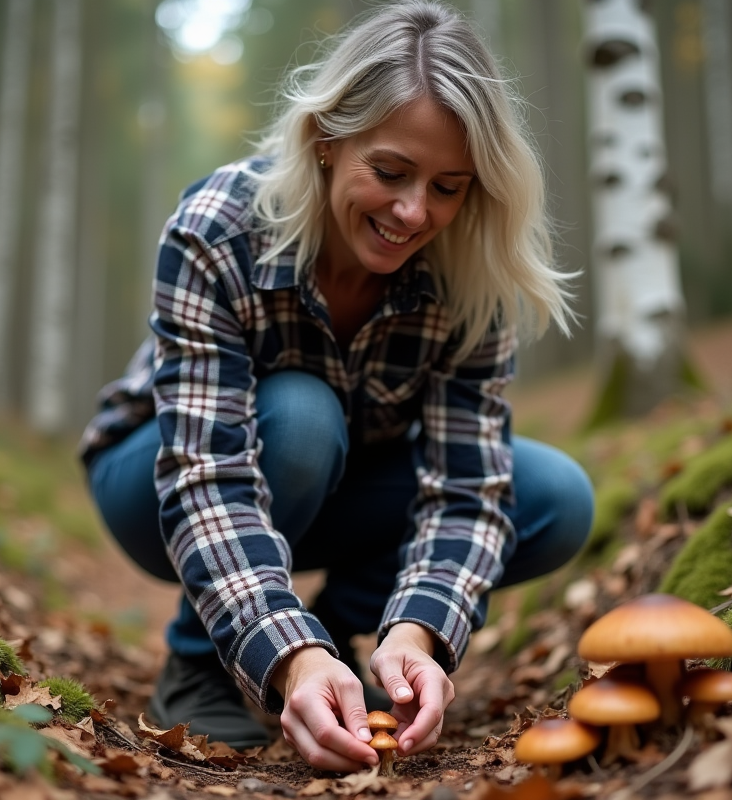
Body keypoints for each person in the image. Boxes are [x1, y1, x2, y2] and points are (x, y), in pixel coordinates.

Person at [81, 0, 593, 773]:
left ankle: (350, 645)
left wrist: (416, 631)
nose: (414, 212)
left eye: (448, 187)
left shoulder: (470, 272)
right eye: (389, 172)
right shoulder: (219, 228)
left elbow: (465, 489)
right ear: (326, 142)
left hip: (339, 491)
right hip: (162, 478)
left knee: (553, 494)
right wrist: (286, 656)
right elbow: (205, 474)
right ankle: (200, 662)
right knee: (299, 417)